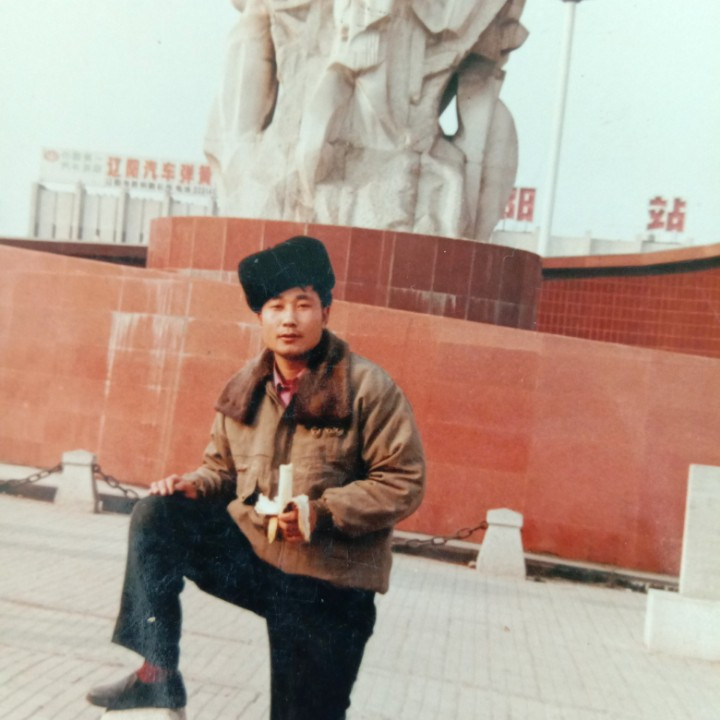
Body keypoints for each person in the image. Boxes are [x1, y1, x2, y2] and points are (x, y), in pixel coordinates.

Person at [86, 235, 426, 719]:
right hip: (257, 562)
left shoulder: (367, 387)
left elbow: (402, 480)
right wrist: (195, 484)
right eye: (275, 306)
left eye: (302, 304)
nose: (289, 319)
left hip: (330, 586)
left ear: (326, 312)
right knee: (158, 515)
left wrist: (321, 512)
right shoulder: (246, 384)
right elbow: (221, 469)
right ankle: (156, 675)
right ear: (260, 317)